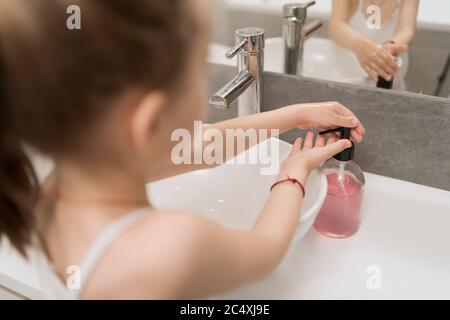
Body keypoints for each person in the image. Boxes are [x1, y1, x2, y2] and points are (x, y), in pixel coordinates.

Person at [0, 0, 365, 299]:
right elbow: (265, 249)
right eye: (198, 73)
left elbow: (203, 147)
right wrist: (293, 173)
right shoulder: (171, 247)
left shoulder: (55, 187)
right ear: (150, 121)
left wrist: (296, 115)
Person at [329, 0, 419, 89]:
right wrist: (360, 45)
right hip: (348, 81)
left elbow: (406, 30)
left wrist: (390, 47)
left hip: (392, 85)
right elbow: (336, 25)